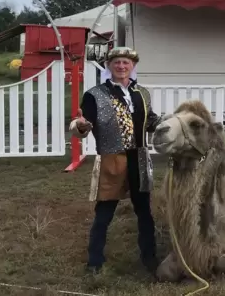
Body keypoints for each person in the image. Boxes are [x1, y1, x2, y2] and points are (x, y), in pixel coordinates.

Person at [70, 46, 161, 276]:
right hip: (112, 158)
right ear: (109, 66)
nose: (122, 66)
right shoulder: (95, 94)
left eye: (126, 62)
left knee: (144, 211)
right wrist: (80, 125)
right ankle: (94, 261)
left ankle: (149, 257)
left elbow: (150, 120)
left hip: (139, 158)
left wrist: (169, 125)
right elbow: (81, 124)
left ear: (133, 66)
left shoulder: (142, 93)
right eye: (117, 62)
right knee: (104, 213)